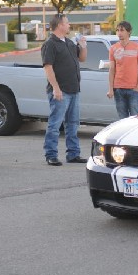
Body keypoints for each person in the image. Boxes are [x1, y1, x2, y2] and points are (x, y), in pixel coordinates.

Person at [41, 14, 88, 166]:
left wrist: (83, 46)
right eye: (67, 23)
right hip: (60, 91)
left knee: (73, 124)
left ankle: (73, 154)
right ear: (60, 25)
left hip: (74, 90)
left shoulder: (68, 42)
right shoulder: (50, 44)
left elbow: (82, 59)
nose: (69, 25)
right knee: (55, 124)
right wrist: (56, 88)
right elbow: (48, 67)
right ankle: (51, 154)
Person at [107, 21, 138, 119]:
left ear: (129, 32)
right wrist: (111, 89)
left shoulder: (137, 47)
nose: (119, 33)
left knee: (135, 118)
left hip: (133, 88)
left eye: (122, 30)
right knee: (122, 119)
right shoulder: (113, 48)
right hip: (118, 88)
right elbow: (112, 70)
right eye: (118, 30)